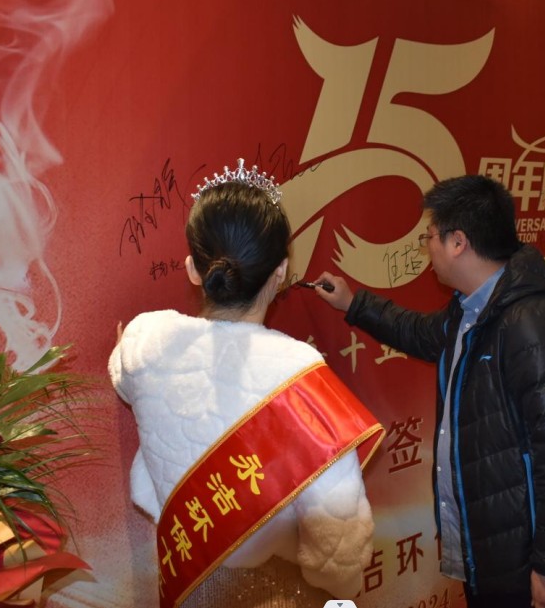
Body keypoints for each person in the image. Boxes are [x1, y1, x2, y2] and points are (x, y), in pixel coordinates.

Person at [312, 174, 545, 608]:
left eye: (429, 237)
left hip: (525, 559)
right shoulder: (470, 310)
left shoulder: (531, 324)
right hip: (490, 547)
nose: (425, 248)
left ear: (458, 242)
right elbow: (418, 332)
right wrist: (354, 303)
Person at [109, 159, 382, 608]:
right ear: (281, 272)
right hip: (274, 595)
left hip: (186, 588)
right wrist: (340, 587)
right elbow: (338, 545)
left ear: (193, 269)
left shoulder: (146, 344)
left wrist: (129, 349)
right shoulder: (299, 373)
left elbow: (124, 373)